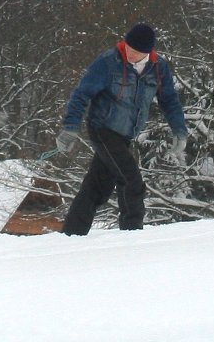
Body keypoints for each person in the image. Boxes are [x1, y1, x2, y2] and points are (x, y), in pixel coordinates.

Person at [56, 23, 188, 235]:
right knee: (131, 180)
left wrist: (179, 130)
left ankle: (71, 234)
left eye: (135, 52)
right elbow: (81, 94)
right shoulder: (108, 62)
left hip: (125, 135)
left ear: (148, 52)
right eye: (128, 48)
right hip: (102, 128)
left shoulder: (158, 68)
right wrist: (70, 127)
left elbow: (170, 100)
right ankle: (131, 234)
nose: (130, 54)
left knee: (97, 187)